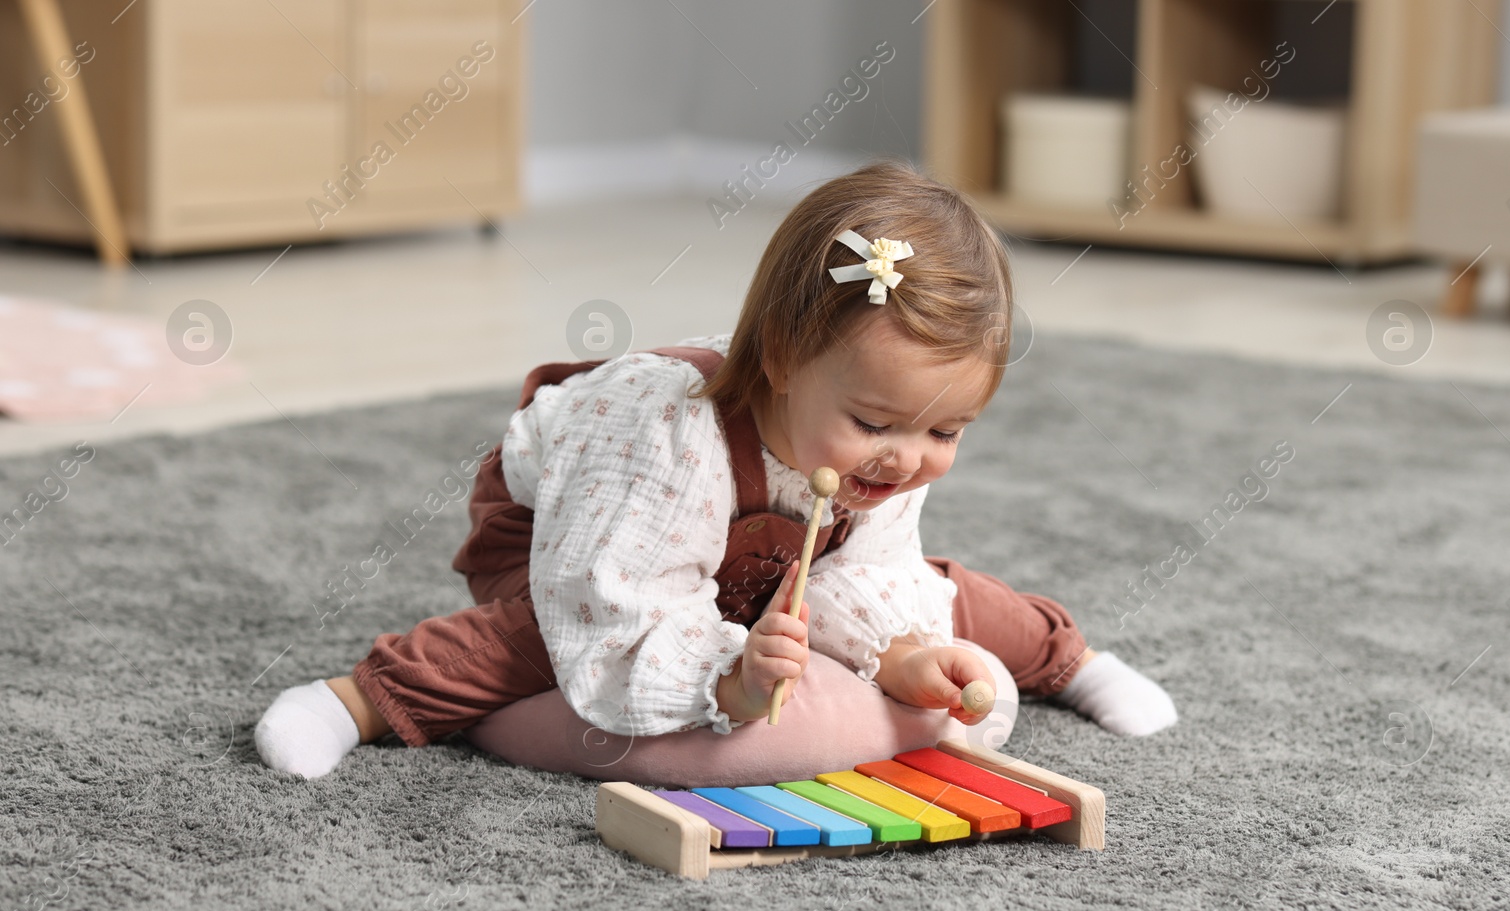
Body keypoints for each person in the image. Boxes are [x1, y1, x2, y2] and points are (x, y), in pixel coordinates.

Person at [254, 158, 1175, 784]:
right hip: (582, 541)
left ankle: (1071, 660)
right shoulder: (664, 435)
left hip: (754, 560)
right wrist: (730, 685)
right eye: (875, 423)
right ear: (778, 357)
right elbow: (611, 595)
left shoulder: (885, 455)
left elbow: (872, 570)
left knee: (951, 596)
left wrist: (901, 654)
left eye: (949, 430)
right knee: (530, 639)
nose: (908, 458)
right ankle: (357, 702)